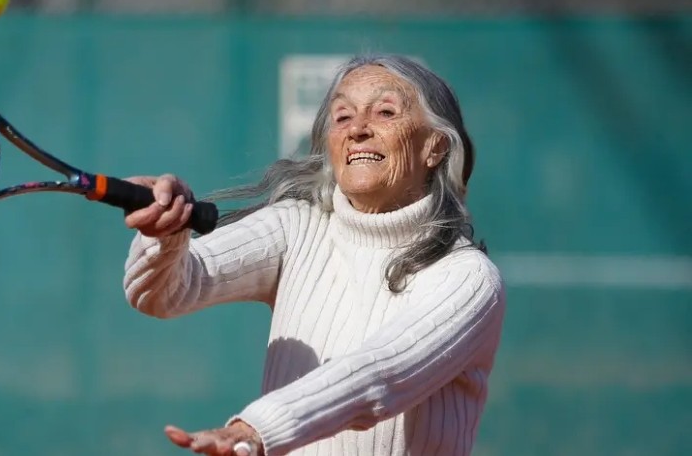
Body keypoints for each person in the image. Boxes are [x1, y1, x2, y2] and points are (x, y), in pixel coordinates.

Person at [122, 55, 506, 456]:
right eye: (342, 117)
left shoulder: (469, 278)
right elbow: (165, 293)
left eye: (385, 112)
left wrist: (259, 428)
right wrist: (165, 236)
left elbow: (380, 373)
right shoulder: (295, 227)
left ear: (435, 147)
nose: (358, 129)